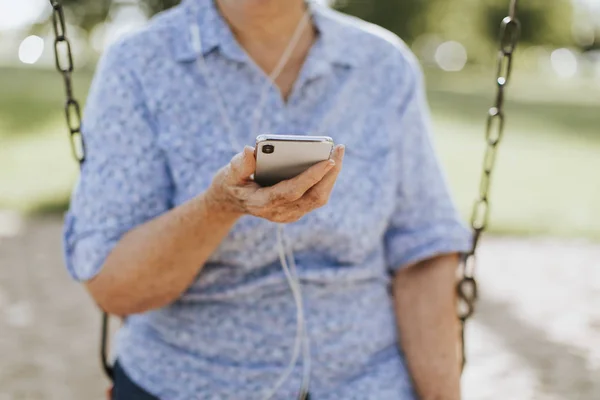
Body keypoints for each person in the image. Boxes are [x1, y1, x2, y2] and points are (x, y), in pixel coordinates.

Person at [63, 0, 472, 399]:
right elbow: (115, 288)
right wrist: (217, 207)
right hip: (189, 382)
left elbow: (423, 251)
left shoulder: (383, 65)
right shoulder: (139, 63)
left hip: (365, 380)